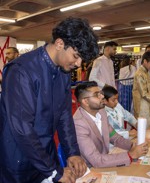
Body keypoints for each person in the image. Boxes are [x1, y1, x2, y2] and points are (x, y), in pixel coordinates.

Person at [0, 17, 99, 183]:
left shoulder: (63, 72)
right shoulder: (21, 70)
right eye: (76, 56)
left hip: (45, 154)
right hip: (18, 159)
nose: (78, 63)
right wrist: (53, 171)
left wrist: (72, 152)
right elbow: (22, 128)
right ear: (60, 44)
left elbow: (64, 116)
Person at [73, 81, 148, 168]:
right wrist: (130, 155)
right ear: (85, 101)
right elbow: (96, 160)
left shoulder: (101, 112)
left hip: (104, 161)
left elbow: (114, 137)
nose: (102, 96)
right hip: (89, 168)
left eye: (101, 93)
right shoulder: (78, 124)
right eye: (97, 95)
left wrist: (133, 146)